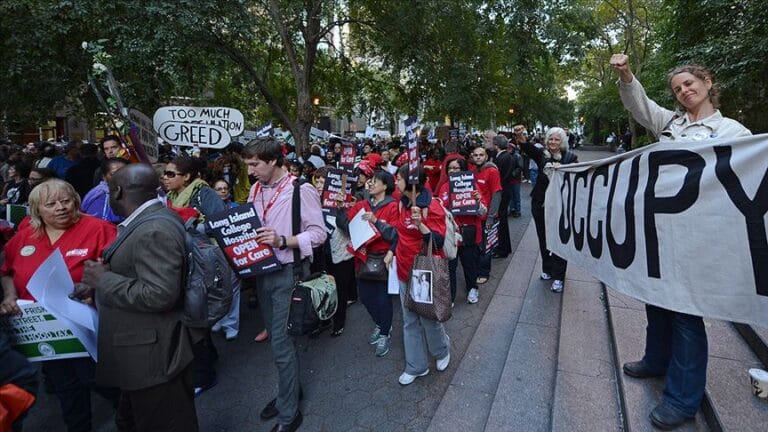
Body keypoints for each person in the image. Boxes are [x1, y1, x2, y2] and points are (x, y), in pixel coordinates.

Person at [610, 53, 751, 430]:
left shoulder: (734, 133)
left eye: (689, 83)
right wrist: (626, 75)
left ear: (707, 83)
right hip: (662, 234)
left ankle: (682, 400)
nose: (684, 90)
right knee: (656, 302)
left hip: (700, 241)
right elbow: (640, 105)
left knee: (686, 317)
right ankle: (655, 360)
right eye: (677, 88)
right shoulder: (670, 123)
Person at [78, 164, 199, 431]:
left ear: (118, 192)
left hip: (154, 357)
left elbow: (159, 295)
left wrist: (104, 280)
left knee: (164, 422)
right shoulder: (148, 222)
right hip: (144, 354)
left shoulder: (153, 229)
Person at [0, 179, 117, 432]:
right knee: (65, 386)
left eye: (66, 201)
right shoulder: (24, 237)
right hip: (46, 331)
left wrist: (95, 287)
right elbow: (6, 271)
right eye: (51, 204)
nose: (61, 208)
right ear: (37, 210)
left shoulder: (99, 228)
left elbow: (116, 266)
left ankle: (129, 415)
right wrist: (9, 296)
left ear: (76, 201)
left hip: (88, 325)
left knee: (97, 379)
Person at [243, 137, 326, 432]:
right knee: (278, 342)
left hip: (288, 272)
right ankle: (287, 393)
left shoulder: (301, 190)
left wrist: (282, 241)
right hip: (262, 271)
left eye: (255, 164)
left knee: (281, 344)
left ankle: (289, 414)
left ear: (274, 161)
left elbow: (319, 234)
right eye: (248, 164)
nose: (250, 171)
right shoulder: (255, 188)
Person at [161, 155, 225, 395]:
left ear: (186, 176)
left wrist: (194, 226)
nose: (165, 178)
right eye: (164, 174)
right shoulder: (169, 197)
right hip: (181, 260)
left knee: (196, 312)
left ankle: (204, 374)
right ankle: (209, 354)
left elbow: (220, 221)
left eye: (170, 174)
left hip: (202, 261)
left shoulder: (204, 194)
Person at [385, 165, 451, 386]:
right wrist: (391, 250)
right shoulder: (400, 203)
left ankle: (442, 350)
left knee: (428, 317)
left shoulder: (432, 207)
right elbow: (397, 232)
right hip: (403, 269)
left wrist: (421, 224)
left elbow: (439, 242)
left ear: (412, 182)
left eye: (400, 178)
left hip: (424, 271)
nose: (396, 181)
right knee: (409, 320)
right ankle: (416, 366)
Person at [338, 169, 399, 357]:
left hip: (383, 260)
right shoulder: (362, 204)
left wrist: (376, 221)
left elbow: (395, 235)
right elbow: (347, 227)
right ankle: (380, 323)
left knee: (382, 298)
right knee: (365, 297)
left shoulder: (394, 206)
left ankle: (384, 332)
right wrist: (341, 208)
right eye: (370, 181)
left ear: (385, 186)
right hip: (363, 259)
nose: (370, 184)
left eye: (374, 181)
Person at [518, 126, 578, 294]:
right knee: (543, 238)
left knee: (559, 240)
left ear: (562, 142)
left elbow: (578, 180)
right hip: (540, 204)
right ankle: (547, 269)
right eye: (550, 139)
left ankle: (559, 276)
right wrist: (520, 134)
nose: (553, 142)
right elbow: (526, 147)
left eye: (556, 139)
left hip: (560, 206)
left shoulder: (571, 158)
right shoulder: (543, 156)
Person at [436, 156, 486, 304]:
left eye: (456, 168)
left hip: (469, 233)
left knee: (469, 264)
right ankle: (450, 297)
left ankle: (472, 289)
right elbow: (440, 211)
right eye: (450, 168)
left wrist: (477, 203)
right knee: (450, 266)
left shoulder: (473, 186)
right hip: (451, 235)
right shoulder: (444, 187)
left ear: (463, 170)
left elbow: (483, 212)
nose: (452, 171)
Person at [470, 146, 502, 286]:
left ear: (486, 157)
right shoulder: (472, 171)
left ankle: (484, 272)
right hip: (474, 217)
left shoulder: (492, 171)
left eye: (481, 155)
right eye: (476, 155)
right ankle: (477, 269)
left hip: (487, 217)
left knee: (485, 246)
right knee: (477, 245)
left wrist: (491, 217)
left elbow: (497, 195)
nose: (478, 157)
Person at [80, 157, 129, 223]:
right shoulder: (101, 197)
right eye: (114, 174)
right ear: (104, 177)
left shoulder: (135, 191)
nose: (121, 176)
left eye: (125, 172)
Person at [490, 135, 513, 258]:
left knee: (502, 221)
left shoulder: (501, 158)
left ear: (496, 145)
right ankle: (504, 247)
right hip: (506, 191)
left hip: (502, 193)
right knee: (502, 220)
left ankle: (502, 248)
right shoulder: (506, 156)